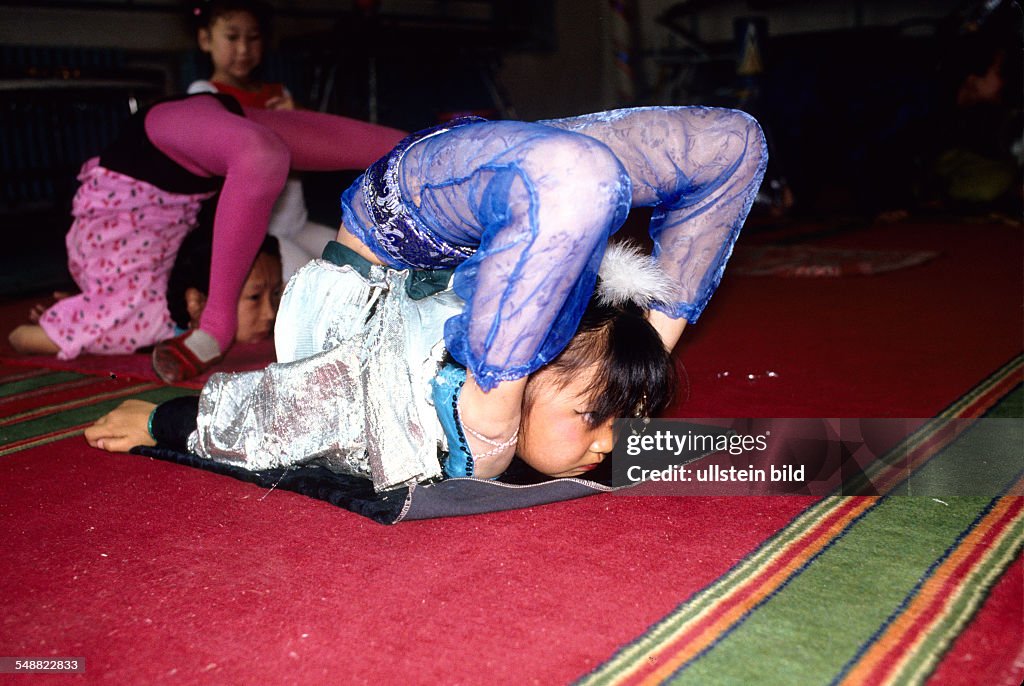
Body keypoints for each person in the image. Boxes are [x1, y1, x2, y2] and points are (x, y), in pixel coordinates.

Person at [86, 106, 767, 489]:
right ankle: (637, 308)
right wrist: (650, 339)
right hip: (496, 213)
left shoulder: (449, 427)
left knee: (592, 179)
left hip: (390, 235)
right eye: (600, 418)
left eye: (612, 423)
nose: (608, 444)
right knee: (734, 143)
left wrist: (163, 421)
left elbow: (276, 412)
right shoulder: (491, 423)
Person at [6, 93, 405, 382]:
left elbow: (19, 338)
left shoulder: (130, 319)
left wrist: (76, 317)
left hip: (150, 161)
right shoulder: (150, 308)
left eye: (256, 298)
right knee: (404, 149)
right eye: (259, 297)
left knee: (262, 157)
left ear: (196, 304)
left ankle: (217, 324)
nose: (268, 316)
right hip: (192, 152)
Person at [186, 0, 339, 280]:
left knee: (351, 257)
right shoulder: (203, 95)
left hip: (295, 222)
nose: (243, 49)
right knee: (309, 277)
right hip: (251, 232)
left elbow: (320, 145)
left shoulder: (279, 94)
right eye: (232, 37)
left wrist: (298, 119)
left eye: (253, 38)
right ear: (205, 39)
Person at [166, 225, 283, 346]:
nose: (270, 314)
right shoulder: (174, 362)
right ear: (197, 303)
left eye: (275, 294)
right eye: (254, 297)